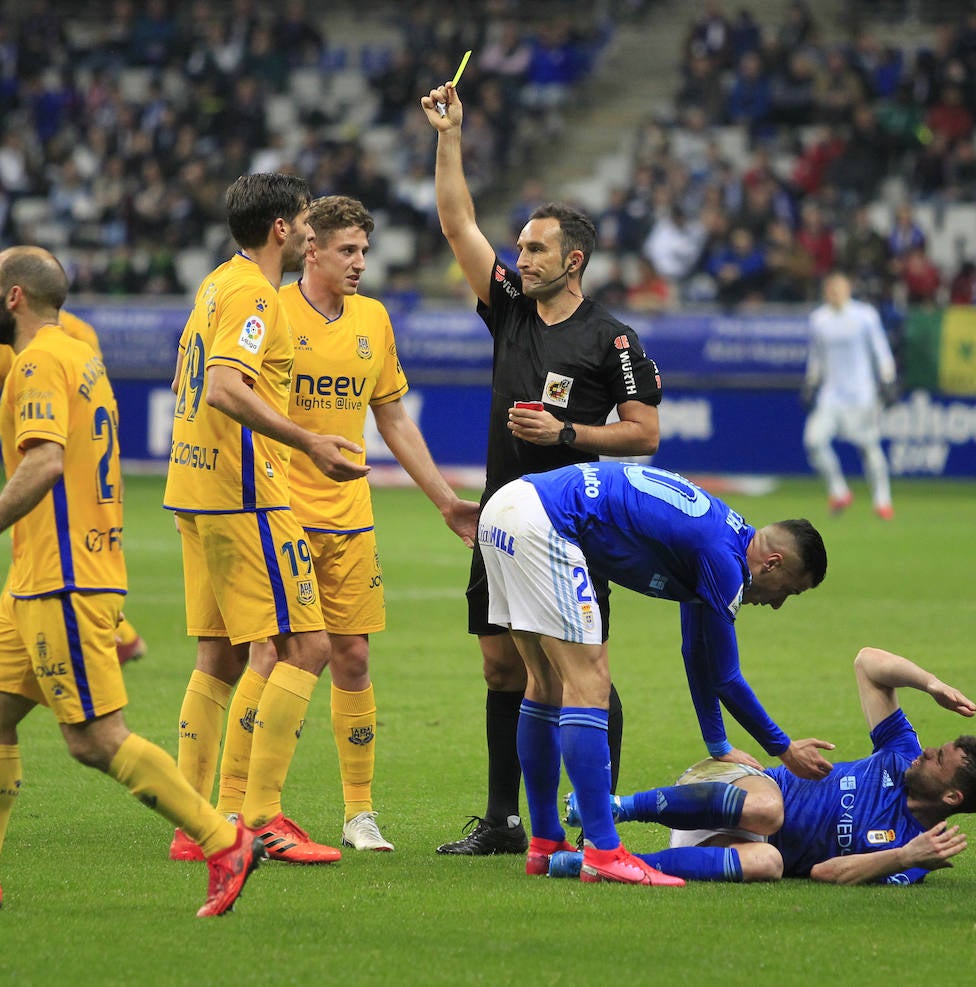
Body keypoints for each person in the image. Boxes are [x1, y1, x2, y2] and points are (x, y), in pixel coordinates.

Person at [0, 247, 261, 917]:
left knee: (94, 738)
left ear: (13, 298)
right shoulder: (81, 356)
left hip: (64, 576)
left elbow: (45, 464)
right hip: (38, 578)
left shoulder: (35, 362)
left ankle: (221, 839)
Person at [171, 194, 481, 859]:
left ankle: (358, 812)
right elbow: (228, 388)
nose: (360, 263)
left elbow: (393, 418)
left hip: (348, 518)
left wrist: (445, 500)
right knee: (268, 652)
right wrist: (303, 444)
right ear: (308, 248)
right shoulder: (268, 304)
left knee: (354, 656)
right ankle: (237, 809)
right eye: (347, 250)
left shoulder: (372, 319)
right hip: (275, 506)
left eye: (365, 251)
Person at [422, 79, 663, 856]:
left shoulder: (612, 340)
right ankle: (503, 820)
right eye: (520, 247)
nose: (519, 257)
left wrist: (566, 434)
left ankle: (603, 809)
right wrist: (450, 135)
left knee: (580, 667)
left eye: (534, 248)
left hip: (576, 523)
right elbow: (456, 220)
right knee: (503, 667)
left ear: (575, 260)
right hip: (500, 519)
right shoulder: (511, 308)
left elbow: (644, 433)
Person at [477, 461, 834, 884]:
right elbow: (726, 677)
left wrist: (717, 742)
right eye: (788, 592)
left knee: (545, 682)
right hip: (547, 522)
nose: (777, 604)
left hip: (508, 505)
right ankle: (604, 852)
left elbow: (694, 650)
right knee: (589, 683)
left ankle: (546, 844)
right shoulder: (724, 560)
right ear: (773, 564)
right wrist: (783, 748)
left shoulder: (723, 536)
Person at [163, 173, 369, 866]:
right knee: (306, 647)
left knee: (218, 657)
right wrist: (307, 439)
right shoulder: (255, 292)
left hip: (193, 488)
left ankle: (195, 820)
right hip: (243, 493)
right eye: (306, 221)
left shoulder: (216, 282)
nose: (311, 231)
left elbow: (186, 379)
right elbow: (223, 387)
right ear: (283, 227)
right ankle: (262, 816)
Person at [553, 646, 976, 885]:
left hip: (725, 848)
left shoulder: (917, 851)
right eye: (935, 747)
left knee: (770, 862)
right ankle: (615, 806)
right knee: (769, 811)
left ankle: (601, 866)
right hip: (725, 788)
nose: (926, 751)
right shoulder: (899, 753)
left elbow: (823, 874)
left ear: (952, 796)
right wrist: (930, 683)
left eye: (938, 759)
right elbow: (868, 662)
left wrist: (906, 858)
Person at [0, 308, 147, 669]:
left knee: (97, 727)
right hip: (65, 497)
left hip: (66, 484)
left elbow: (81, 403)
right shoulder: (30, 336)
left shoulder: (59, 344)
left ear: (19, 293)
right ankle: (6, 649)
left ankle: (117, 636)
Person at [801, 271, 898, 520]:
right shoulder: (819, 319)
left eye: (838, 288)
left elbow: (881, 350)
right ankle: (839, 491)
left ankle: (882, 500)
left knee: (868, 447)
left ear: (848, 289)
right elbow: (817, 356)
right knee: (813, 441)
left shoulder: (864, 316)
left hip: (861, 395)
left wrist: (887, 378)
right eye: (829, 289)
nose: (833, 293)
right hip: (831, 396)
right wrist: (811, 382)